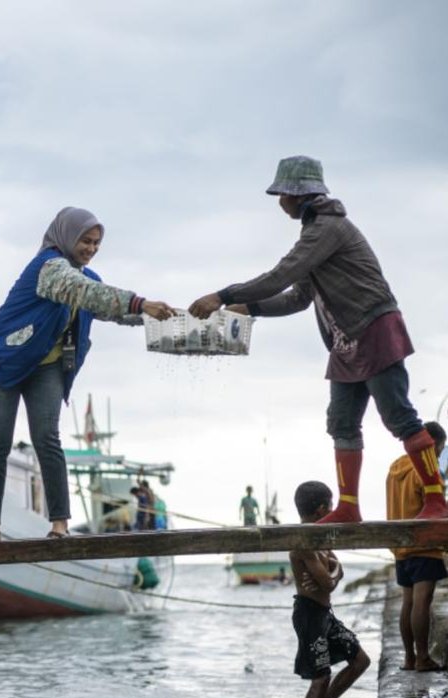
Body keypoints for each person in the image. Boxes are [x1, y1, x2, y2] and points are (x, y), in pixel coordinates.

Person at [189, 155, 448, 523]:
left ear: (300, 195)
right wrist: (248, 309)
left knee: (399, 417)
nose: (280, 202)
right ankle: (348, 506)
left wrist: (224, 295)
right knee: (341, 423)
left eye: (283, 194)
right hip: (346, 345)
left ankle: (437, 502)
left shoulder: (327, 228)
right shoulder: (316, 234)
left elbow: (283, 273)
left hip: (373, 330)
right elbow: (298, 296)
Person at [0, 207, 175, 542]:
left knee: (47, 439)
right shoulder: (48, 268)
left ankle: (59, 525)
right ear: (66, 236)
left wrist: (163, 316)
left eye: (96, 243)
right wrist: (141, 303)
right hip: (2, 363)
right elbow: (85, 293)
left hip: (45, 367)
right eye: (85, 241)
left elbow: (111, 308)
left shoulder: (85, 277)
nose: (91, 248)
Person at [290, 480, 370, 698]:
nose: (334, 510)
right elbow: (328, 581)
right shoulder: (304, 541)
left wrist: (333, 572)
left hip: (325, 614)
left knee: (360, 660)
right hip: (310, 615)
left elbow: (334, 572)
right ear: (322, 508)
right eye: (331, 506)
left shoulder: (319, 538)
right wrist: (332, 573)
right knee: (320, 677)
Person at [386, 421, 448, 672]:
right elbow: (436, 509)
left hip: (400, 545)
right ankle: (423, 657)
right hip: (424, 544)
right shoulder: (426, 471)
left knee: (408, 602)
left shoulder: (396, 466)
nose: (438, 456)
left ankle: (409, 657)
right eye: (439, 449)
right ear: (431, 443)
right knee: (423, 601)